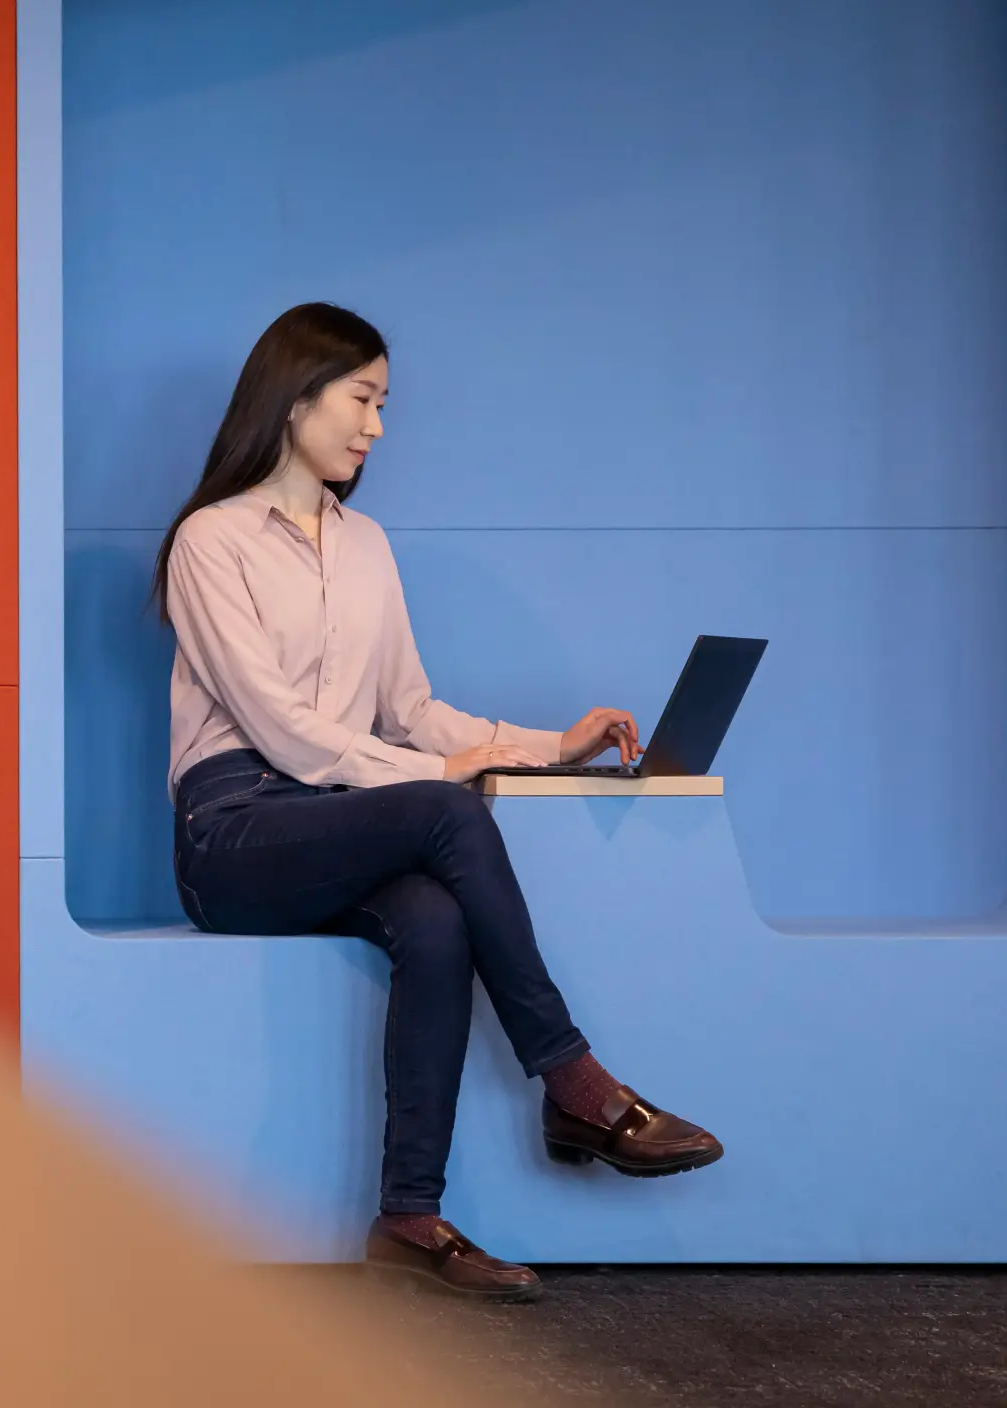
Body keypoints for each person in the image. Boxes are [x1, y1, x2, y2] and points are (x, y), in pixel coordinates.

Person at [154, 302, 722, 1303]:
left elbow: (412, 709)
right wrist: (438, 780)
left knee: (433, 911)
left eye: (383, 406)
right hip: (234, 830)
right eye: (362, 400)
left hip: (333, 816)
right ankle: (576, 1084)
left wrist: (553, 744)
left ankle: (408, 1216)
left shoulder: (366, 543)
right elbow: (281, 729)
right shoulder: (211, 541)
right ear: (293, 399)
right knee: (446, 814)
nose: (377, 428)